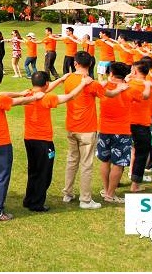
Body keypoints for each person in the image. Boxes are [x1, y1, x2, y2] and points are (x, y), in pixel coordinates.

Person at [0, 66, 43, 221]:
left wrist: (20, 93)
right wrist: (35, 97)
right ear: (0, 81)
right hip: (1, 142)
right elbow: (18, 102)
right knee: (2, 175)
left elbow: (4, 95)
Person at [22, 70, 92, 212]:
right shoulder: (47, 98)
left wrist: (61, 80)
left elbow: (46, 88)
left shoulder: (29, 94)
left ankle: (29, 199)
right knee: (44, 174)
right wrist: (83, 83)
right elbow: (70, 96)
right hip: (43, 142)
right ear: (46, 83)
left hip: (29, 139)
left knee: (33, 171)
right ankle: (37, 203)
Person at [56, 51, 113, 210]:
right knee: (86, 164)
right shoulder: (91, 83)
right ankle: (85, 199)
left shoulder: (68, 79)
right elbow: (107, 94)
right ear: (91, 64)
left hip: (71, 126)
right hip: (87, 128)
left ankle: (68, 193)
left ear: (75, 63)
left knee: (72, 160)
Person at [96, 62, 139, 204]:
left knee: (105, 160)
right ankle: (110, 194)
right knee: (118, 163)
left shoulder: (103, 87)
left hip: (104, 128)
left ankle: (106, 189)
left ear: (111, 73)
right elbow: (142, 97)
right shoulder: (130, 88)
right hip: (122, 130)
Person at [127, 60, 152, 194]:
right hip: (142, 124)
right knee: (141, 154)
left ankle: (113, 184)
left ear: (134, 71)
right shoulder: (150, 85)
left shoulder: (128, 84)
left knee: (121, 153)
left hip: (126, 123)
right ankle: (135, 185)